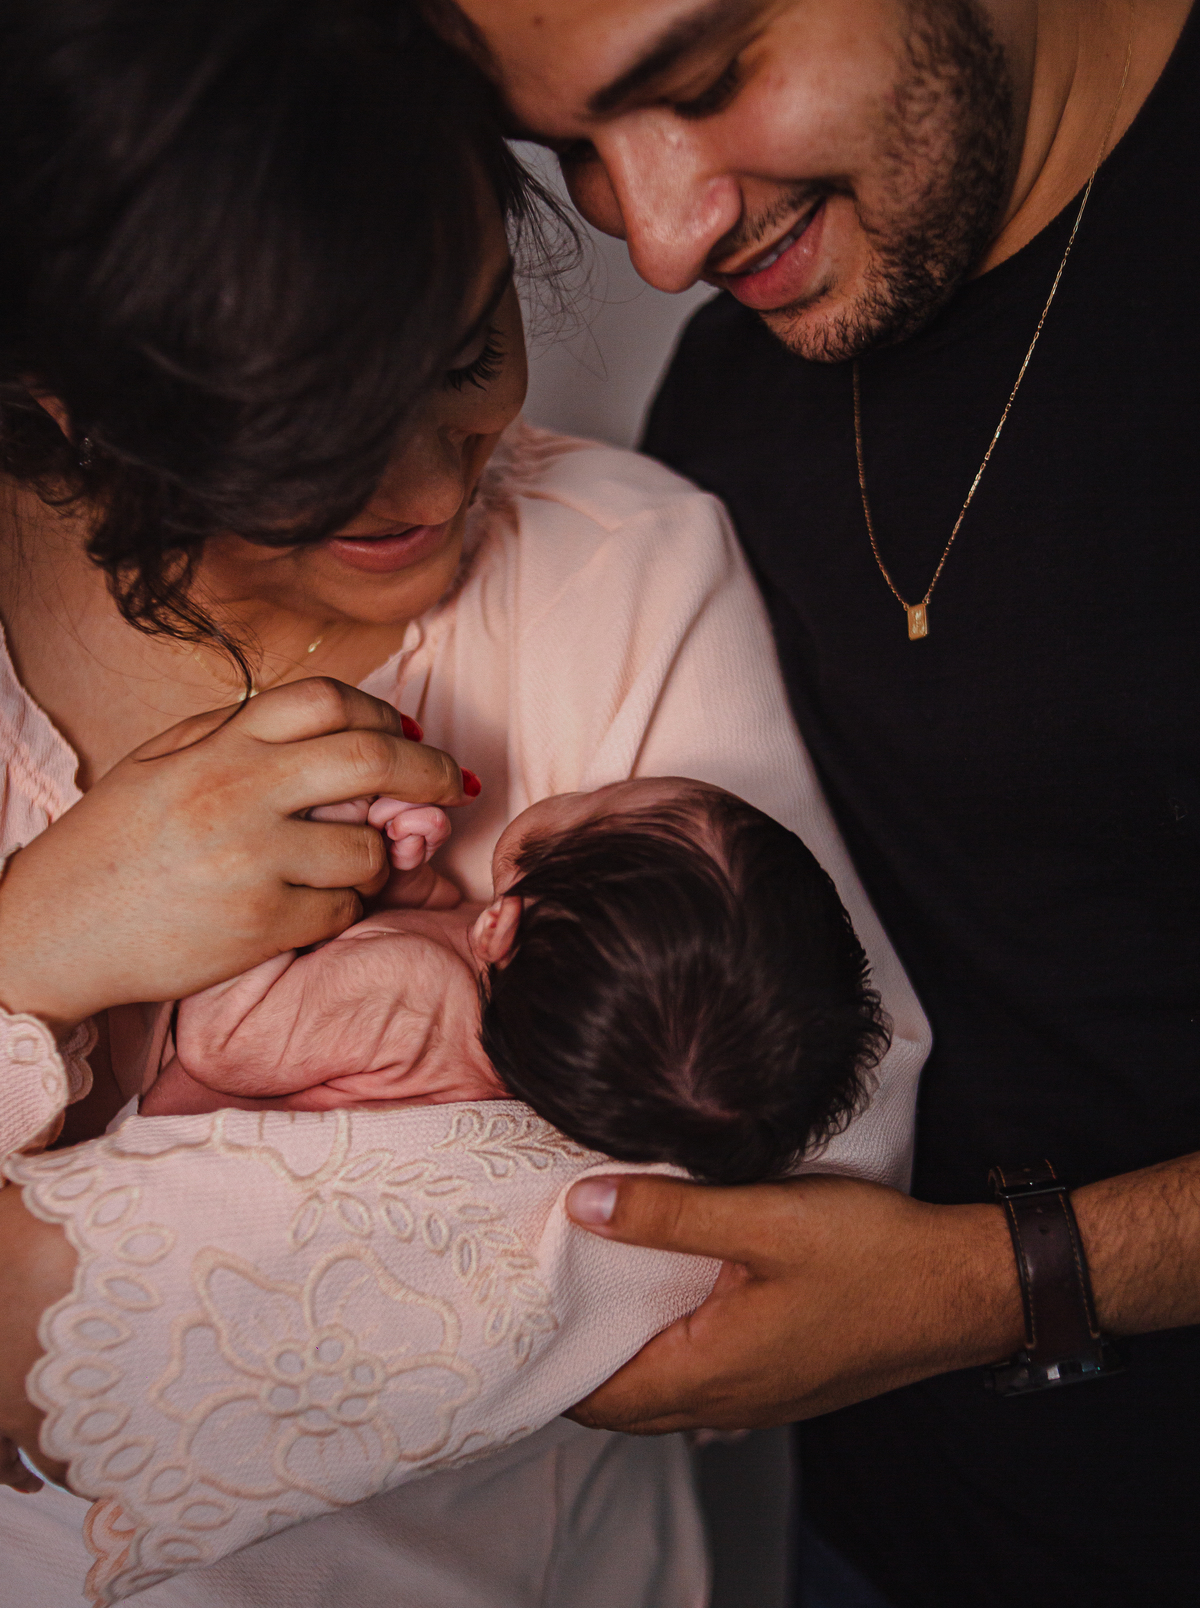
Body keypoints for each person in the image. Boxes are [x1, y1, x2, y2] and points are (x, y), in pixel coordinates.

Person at [0, 2, 930, 1603]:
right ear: (63, 394)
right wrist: (35, 943)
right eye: (309, 439)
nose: (433, 488)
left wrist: (32, 1290)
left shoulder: (616, 573)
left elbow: (783, 1211)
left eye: (463, 358)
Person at [438, 1, 1200, 1604]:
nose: (658, 240)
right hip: (879, 1523)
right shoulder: (737, 389)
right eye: (570, 148)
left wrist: (989, 1284)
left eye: (705, 80)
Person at [145, 778, 889, 1192]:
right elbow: (405, 933)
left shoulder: (406, 987)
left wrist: (296, 849)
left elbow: (220, 1043)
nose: (582, 788)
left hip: (166, 1129)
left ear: (501, 925)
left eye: (597, 799)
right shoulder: (540, 1030)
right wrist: (397, 882)